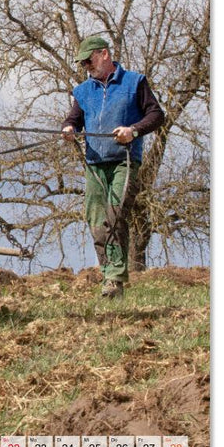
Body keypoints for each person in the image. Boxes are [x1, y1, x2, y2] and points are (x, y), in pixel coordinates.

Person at [61, 35, 165, 299]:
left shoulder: (134, 82)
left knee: (115, 214)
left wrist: (133, 130)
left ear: (104, 54)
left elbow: (156, 115)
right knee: (96, 219)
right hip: (95, 163)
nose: (85, 66)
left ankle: (114, 279)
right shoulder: (83, 90)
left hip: (125, 160)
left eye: (89, 60)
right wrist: (69, 128)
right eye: (82, 63)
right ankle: (108, 274)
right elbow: (74, 118)